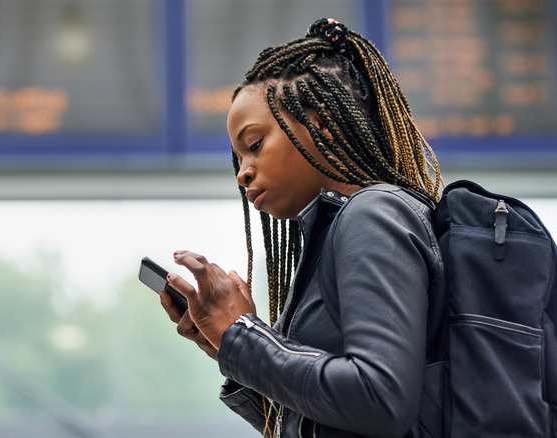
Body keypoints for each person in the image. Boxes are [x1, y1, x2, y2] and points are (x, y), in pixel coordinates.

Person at [159, 18, 445, 438]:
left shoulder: (372, 214)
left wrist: (245, 337)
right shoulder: (340, 233)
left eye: (254, 145)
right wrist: (228, 344)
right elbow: (326, 422)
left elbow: (380, 400)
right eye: (238, 160)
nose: (243, 173)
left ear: (324, 121)